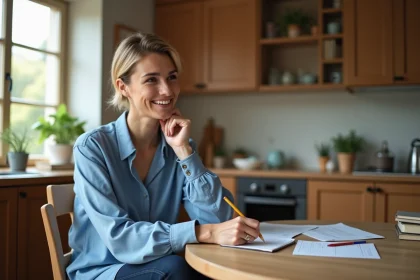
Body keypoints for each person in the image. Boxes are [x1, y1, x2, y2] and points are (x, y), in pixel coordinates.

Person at [66, 32, 262, 280]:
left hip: (157, 266)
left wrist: (184, 151)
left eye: (172, 77)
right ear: (123, 87)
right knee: (177, 269)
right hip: (102, 271)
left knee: (211, 271)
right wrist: (205, 233)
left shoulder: (179, 148)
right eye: (151, 80)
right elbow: (120, 240)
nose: (166, 90)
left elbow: (219, 218)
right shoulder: (93, 148)